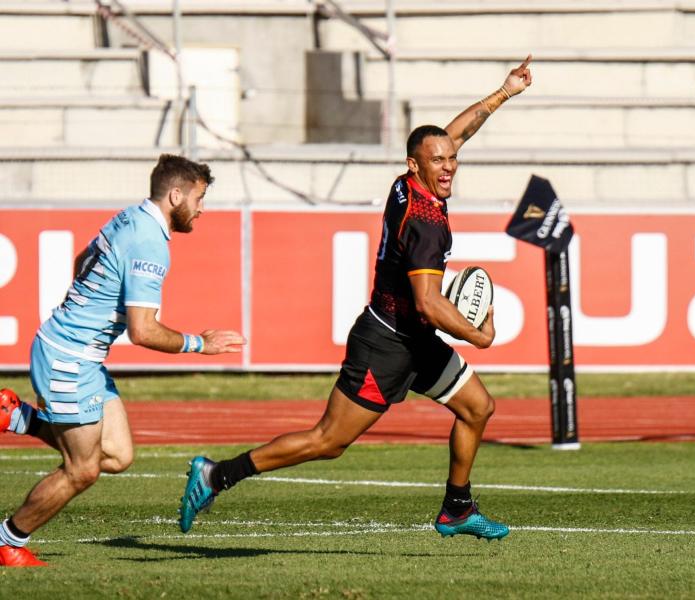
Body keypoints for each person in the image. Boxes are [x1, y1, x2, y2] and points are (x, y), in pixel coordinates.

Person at [179, 56, 534, 540]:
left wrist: (504, 92)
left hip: (414, 337)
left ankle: (457, 507)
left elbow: (456, 132)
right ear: (417, 164)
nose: (449, 166)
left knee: (477, 408)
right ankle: (215, 475)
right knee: (328, 441)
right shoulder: (425, 224)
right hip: (385, 344)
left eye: (453, 158)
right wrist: (480, 336)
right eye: (439, 160)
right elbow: (429, 303)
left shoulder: (408, 184)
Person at [0, 154, 246, 567]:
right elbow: (143, 330)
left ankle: (16, 417)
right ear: (175, 195)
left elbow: (83, 259)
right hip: (69, 358)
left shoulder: (131, 217)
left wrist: (85, 306)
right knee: (82, 470)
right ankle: (7, 540)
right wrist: (199, 344)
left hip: (81, 356)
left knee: (117, 456)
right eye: (199, 199)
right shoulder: (150, 241)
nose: (201, 210)